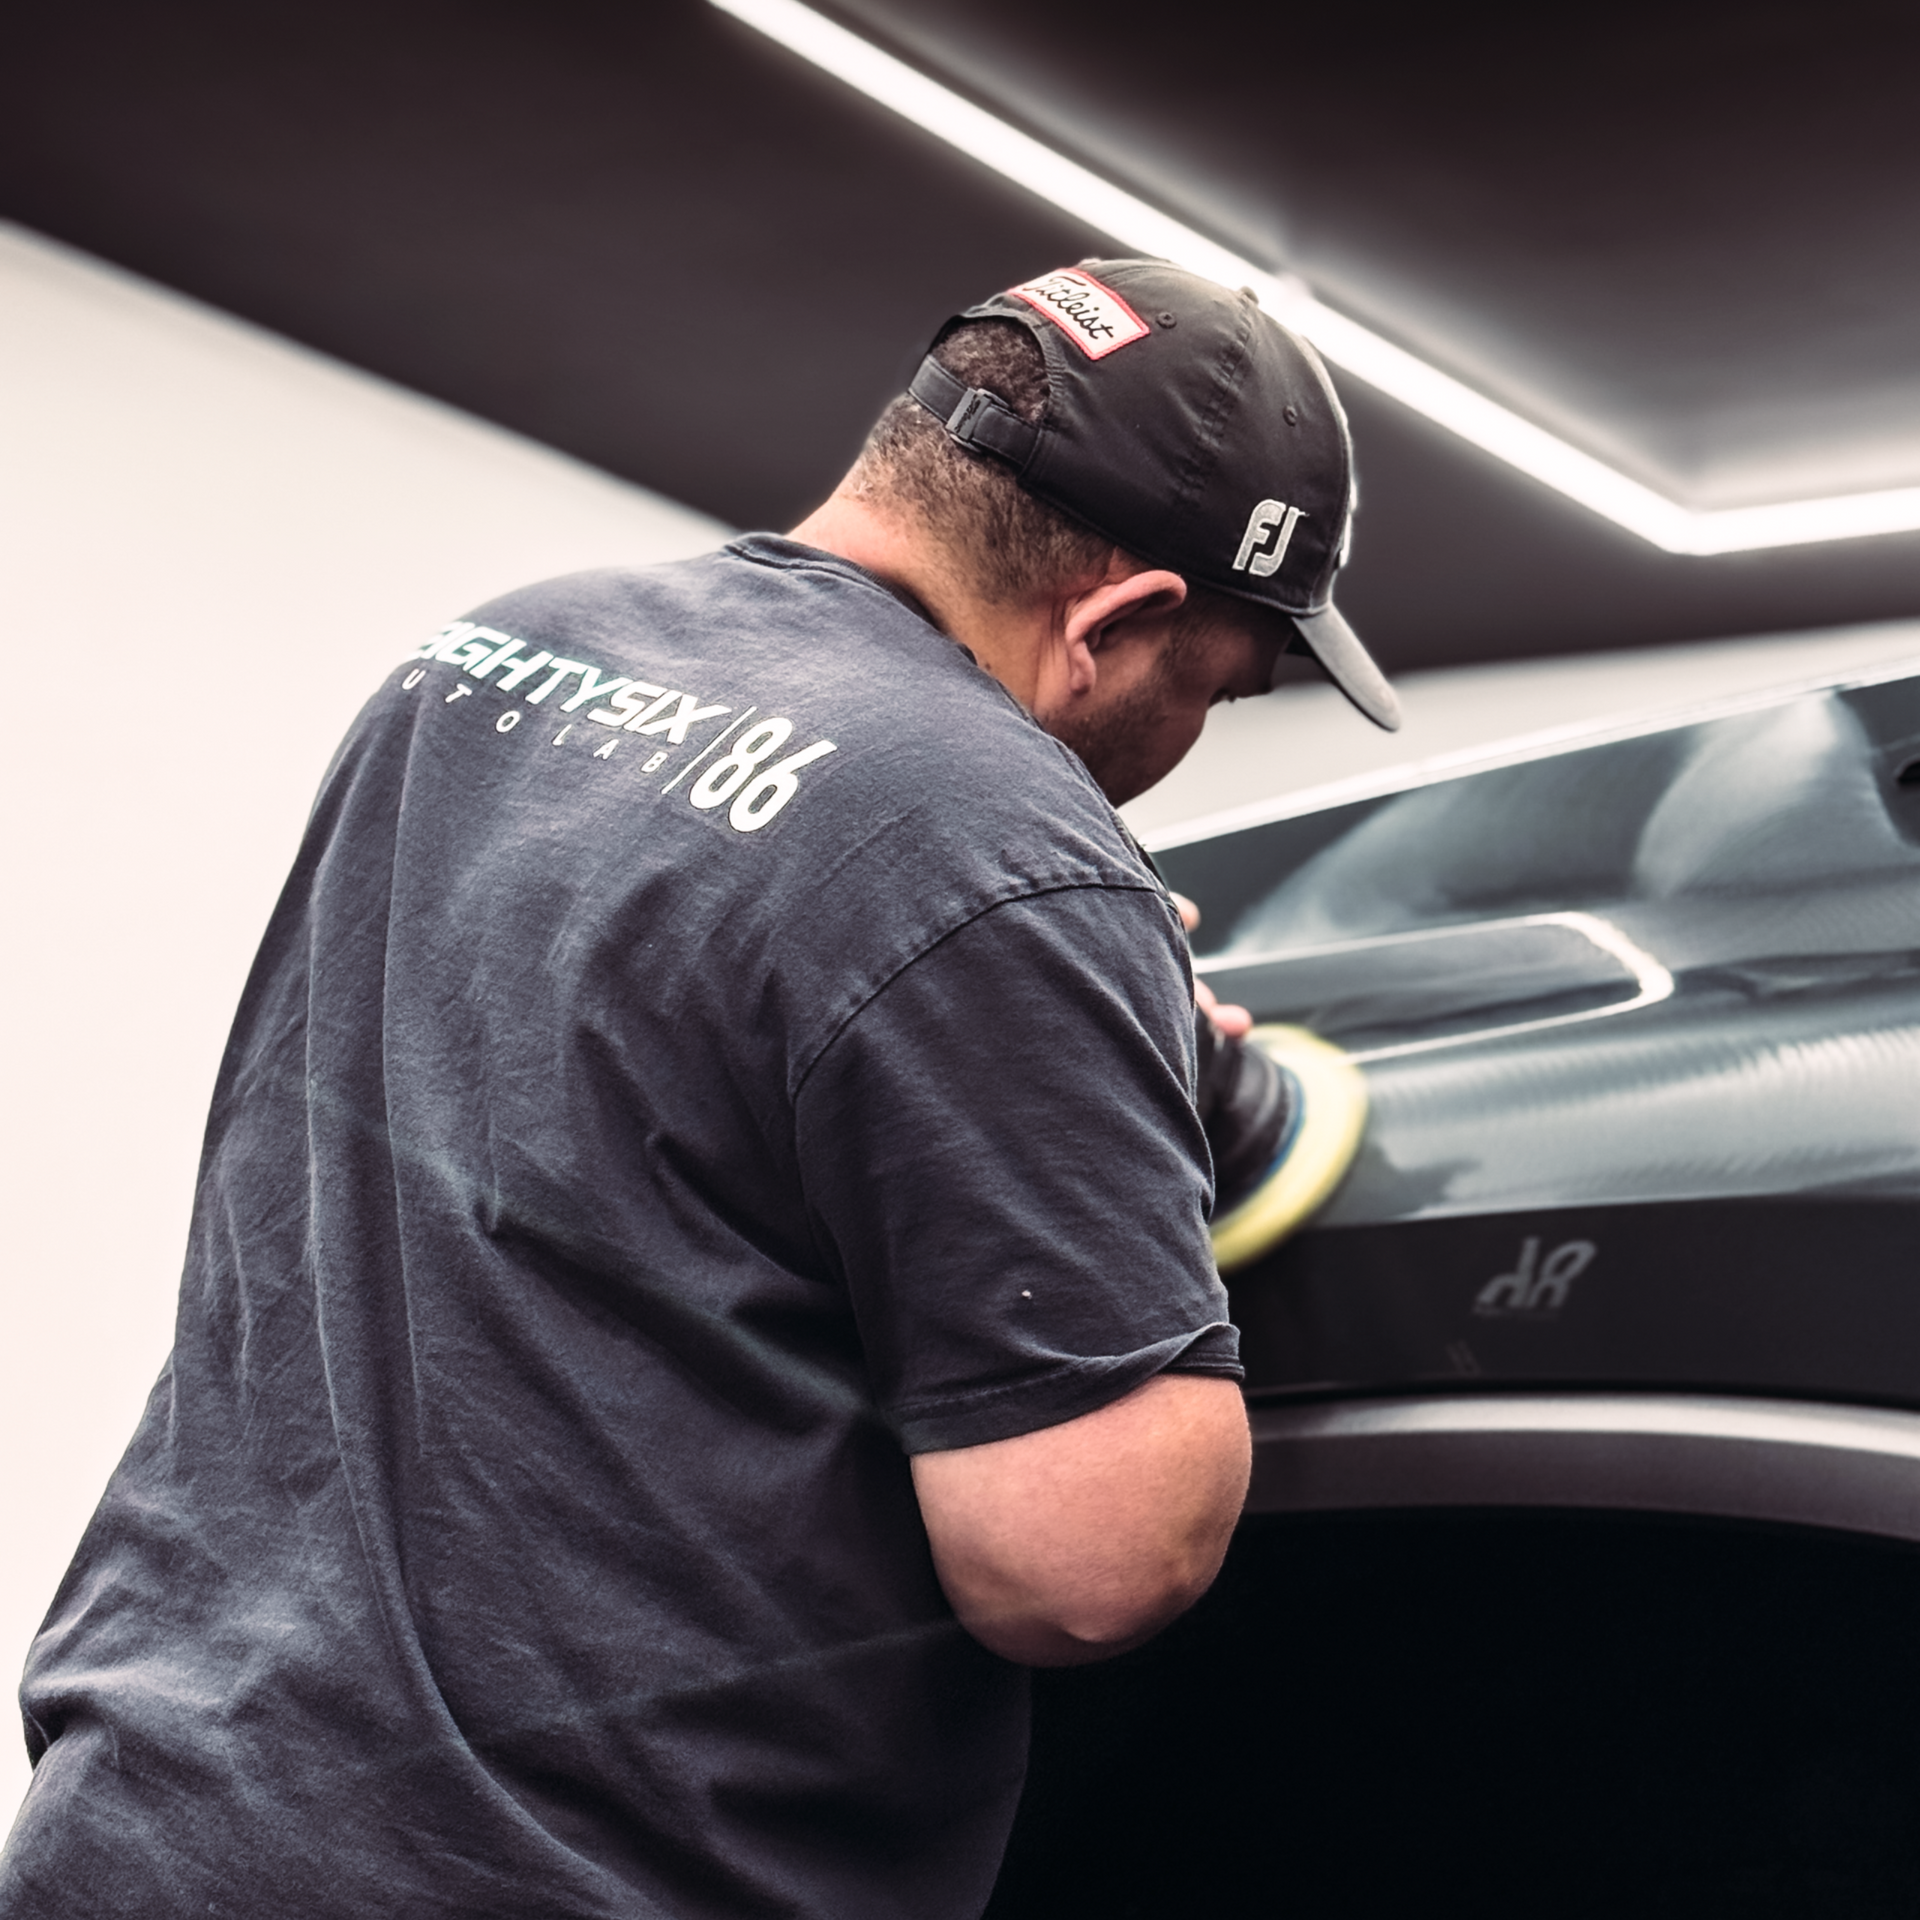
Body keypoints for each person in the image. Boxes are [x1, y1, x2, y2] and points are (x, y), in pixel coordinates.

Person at [2, 258, 1398, 1919]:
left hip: (149, 1820)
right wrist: (1110, 1063)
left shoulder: (495, 657)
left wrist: (1046, 1046)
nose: (1191, 740)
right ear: (1116, 623)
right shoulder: (1006, 850)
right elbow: (1086, 1569)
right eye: (1220, 689)